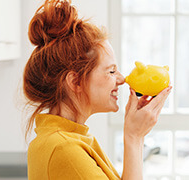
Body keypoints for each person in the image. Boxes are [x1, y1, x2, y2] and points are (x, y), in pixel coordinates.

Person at [23, 0, 172, 179]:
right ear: (75, 81)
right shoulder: (65, 149)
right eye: (111, 71)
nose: (122, 79)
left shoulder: (71, 139)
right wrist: (134, 137)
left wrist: (136, 136)